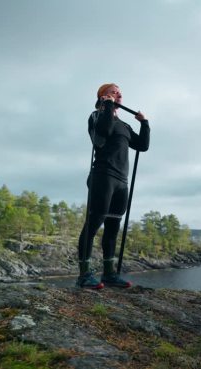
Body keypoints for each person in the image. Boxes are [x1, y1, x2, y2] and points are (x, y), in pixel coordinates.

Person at [76, 83, 150, 289]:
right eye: (114, 91)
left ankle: (109, 274)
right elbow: (102, 134)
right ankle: (84, 275)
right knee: (93, 224)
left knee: (113, 227)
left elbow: (142, 146)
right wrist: (107, 107)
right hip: (103, 175)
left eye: (120, 92)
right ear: (103, 96)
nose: (119, 94)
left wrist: (145, 124)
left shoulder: (124, 125)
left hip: (121, 181)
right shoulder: (96, 116)